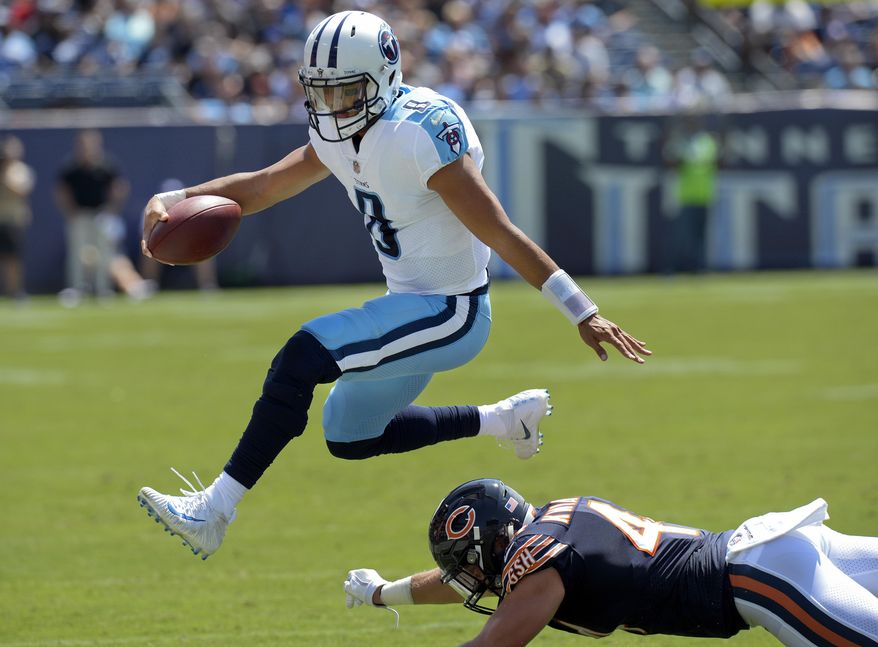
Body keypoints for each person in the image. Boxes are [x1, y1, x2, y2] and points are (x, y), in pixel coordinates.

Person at [136, 11, 650, 560]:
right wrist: (177, 198)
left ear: (381, 79)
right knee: (348, 435)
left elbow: (499, 231)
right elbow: (261, 187)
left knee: (300, 357)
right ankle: (503, 420)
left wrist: (580, 309)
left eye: (346, 92)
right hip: (409, 306)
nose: (332, 107)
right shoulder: (339, 133)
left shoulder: (420, 132)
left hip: (452, 313)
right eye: (322, 93)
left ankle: (214, 510)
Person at [344, 478, 878, 647]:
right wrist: (383, 592)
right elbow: (453, 582)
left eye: (474, 565)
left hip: (764, 582)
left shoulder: (537, 563)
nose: (475, 581)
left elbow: (493, 644)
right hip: (784, 549)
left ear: (493, 542)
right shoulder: (555, 519)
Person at [55, 129, 130, 303]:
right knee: (76, 253)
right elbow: (62, 191)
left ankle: (103, 290)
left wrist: (111, 210)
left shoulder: (107, 165)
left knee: (105, 253)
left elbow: (119, 187)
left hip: (101, 214)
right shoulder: (71, 167)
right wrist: (70, 211)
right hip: (80, 214)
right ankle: (77, 289)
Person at [663, 111, 721, 274]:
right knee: (682, 237)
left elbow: (717, 162)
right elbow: (671, 163)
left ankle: (699, 267)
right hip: (685, 196)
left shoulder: (707, 141)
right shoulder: (680, 142)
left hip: (705, 194)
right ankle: (673, 268)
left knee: (700, 236)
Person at [0, 135, 35, 301]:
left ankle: (16, 291)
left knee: (14, 257)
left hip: (13, 219)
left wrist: (5, 176)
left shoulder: (21, 170)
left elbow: (21, 190)